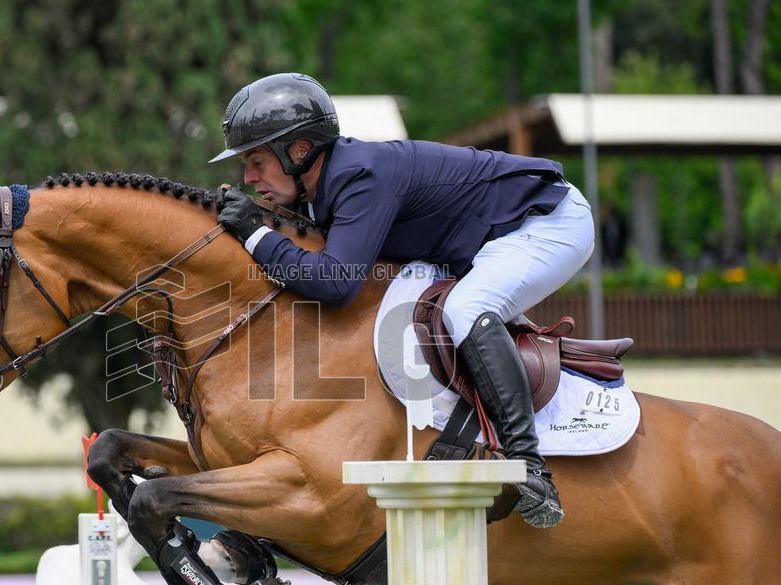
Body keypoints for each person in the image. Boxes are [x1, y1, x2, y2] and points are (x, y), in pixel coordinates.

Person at [210, 73, 595, 529]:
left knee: (465, 310)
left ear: (299, 150)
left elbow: (334, 284)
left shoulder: (360, 175)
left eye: (256, 161)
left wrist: (255, 233)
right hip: (484, 241)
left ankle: (530, 467)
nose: (248, 178)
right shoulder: (321, 191)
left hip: (547, 224)